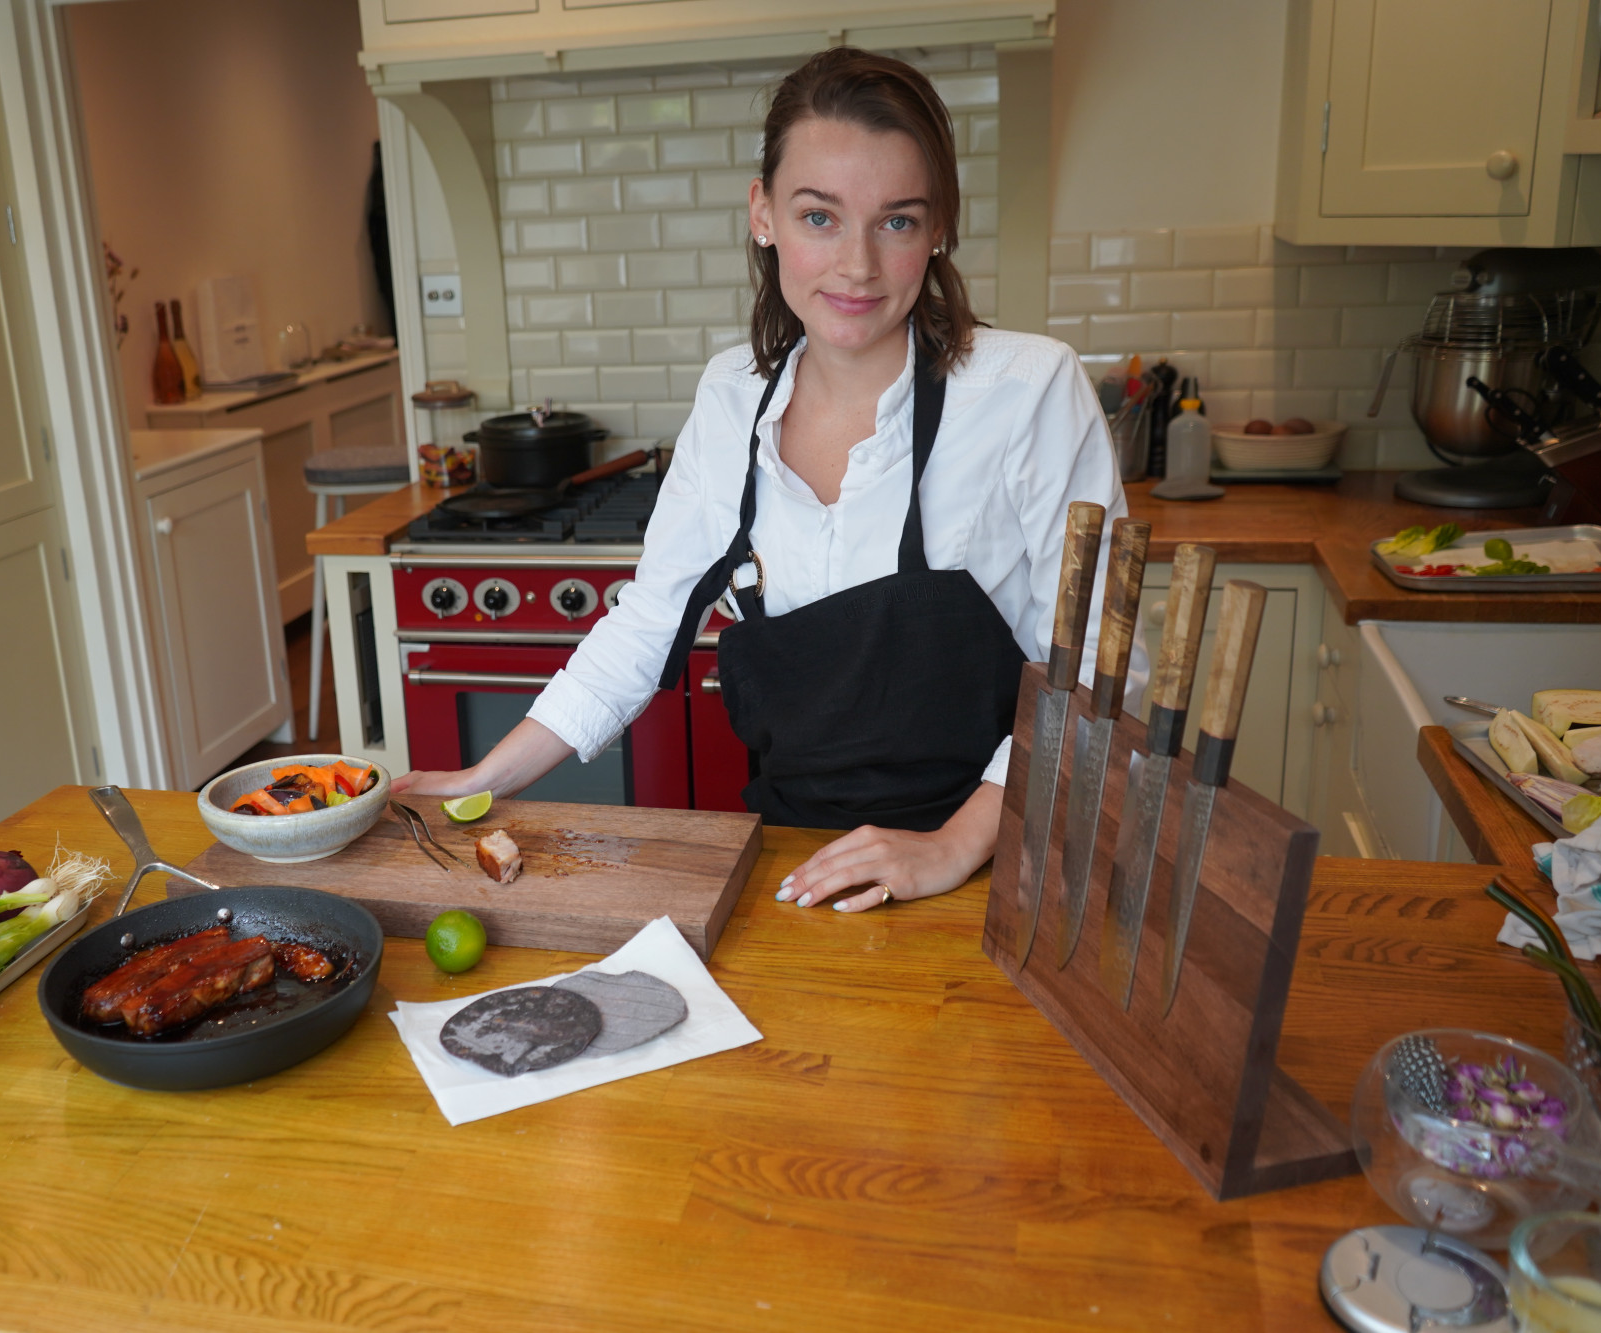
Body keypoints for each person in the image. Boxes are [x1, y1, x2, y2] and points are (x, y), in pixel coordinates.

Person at [394, 47, 1139, 914]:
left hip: (1003, 860)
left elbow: (1100, 667)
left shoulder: (1028, 392)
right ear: (765, 215)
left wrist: (954, 844)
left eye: (896, 221)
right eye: (820, 217)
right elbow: (650, 621)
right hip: (800, 865)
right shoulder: (731, 396)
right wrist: (487, 774)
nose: (856, 265)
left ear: (940, 228)